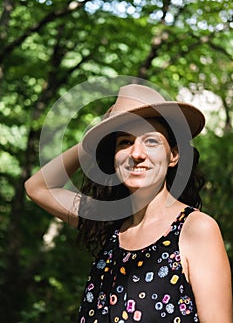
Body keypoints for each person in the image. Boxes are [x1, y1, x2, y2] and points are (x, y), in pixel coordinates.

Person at [25, 83, 232, 323]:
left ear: (173, 155)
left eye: (151, 141)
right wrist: (94, 139)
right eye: (125, 142)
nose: (137, 153)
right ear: (113, 157)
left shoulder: (196, 230)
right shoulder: (109, 224)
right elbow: (37, 188)